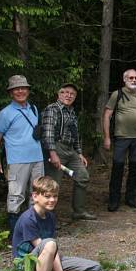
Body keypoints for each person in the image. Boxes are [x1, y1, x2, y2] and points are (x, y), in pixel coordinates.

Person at [12, 177, 102, 271]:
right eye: (47, 196)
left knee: (94, 270)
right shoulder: (28, 219)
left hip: (47, 258)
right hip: (27, 265)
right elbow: (47, 248)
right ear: (35, 196)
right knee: (50, 243)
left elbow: (51, 253)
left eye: (55, 196)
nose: (52, 200)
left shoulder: (50, 216)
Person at [0, 75, 45, 238]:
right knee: (16, 197)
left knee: (37, 195)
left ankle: (33, 232)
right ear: (11, 92)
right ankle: (16, 236)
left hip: (37, 159)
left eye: (23, 88)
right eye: (16, 88)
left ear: (28, 90)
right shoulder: (6, 113)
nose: (20, 91)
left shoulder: (34, 109)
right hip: (17, 161)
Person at [40, 83, 96, 220]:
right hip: (56, 148)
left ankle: (79, 211)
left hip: (70, 150)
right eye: (65, 92)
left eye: (72, 94)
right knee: (53, 185)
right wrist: (52, 154)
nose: (68, 95)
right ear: (59, 94)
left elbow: (75, 135)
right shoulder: (52, 109)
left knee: (82, 176)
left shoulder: (72, 112)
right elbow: (47, 134)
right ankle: (47, 219)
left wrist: (79, 153)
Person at [102, 69, 136, 212]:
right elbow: (107, 116)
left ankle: (130, 198)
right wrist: (106, 137)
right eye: (130, 77)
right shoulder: (117, 94)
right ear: (124, 79)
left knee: (135, 168)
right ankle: (114, 200)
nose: (134, 80)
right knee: (117, 167)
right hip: (121, 138)